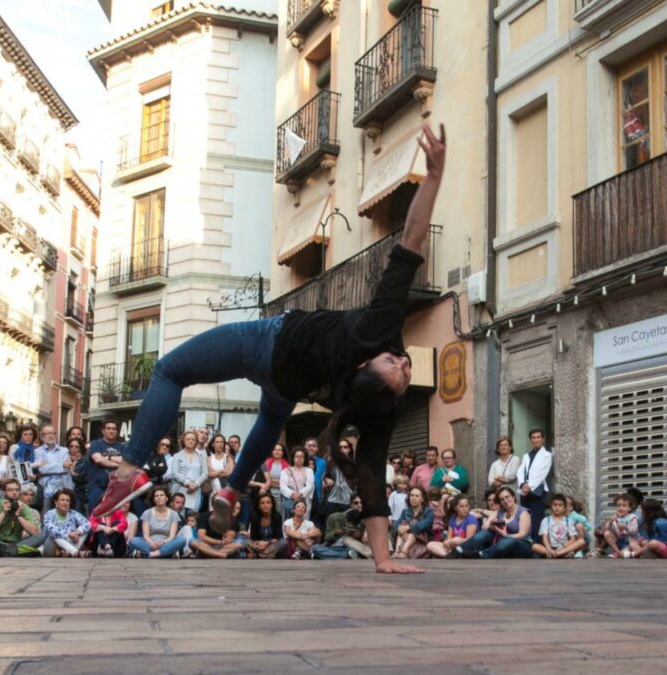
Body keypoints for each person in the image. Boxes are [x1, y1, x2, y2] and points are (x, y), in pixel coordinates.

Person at [89, 127, 444, 576]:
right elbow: (411, 245)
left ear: (365, 368)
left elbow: (372, 476)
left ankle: (129, 469)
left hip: (265, 346)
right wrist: (382, 557)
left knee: (170, 372)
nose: (405, 361)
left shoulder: (375, 349)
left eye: (400, 370)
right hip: (290, 382)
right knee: (274, 416)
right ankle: (233, 490)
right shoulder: (374, 390)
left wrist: (384, 559)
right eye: (400, 362)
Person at [456, 486, 533, 559]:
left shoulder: (523, 512)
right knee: (487, 532)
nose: (505, 500)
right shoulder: (500, 512)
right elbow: (485, 525)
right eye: (502, 499)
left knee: (508, 541)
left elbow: (522, 534)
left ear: (513, 496)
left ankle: (480, 554)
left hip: (522, 545)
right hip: (503, 546)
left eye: (507, 497)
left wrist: (506, 535)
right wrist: (493, 527)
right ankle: (459, 550)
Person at [0, 479, 43, 556]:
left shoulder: (24, 508)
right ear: (3, 492)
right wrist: (3, 512)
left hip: (16, 542)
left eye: (17, 490)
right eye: (10, 490)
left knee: (40, 537)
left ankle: (7, 551)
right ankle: (13, 551)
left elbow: (34, 532)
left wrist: (19, 516)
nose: (14, 492)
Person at [515, 428, 553, 541]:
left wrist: (529, 486)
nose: (536, 440)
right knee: (525, 519)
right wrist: (522, 485)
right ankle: (526, 545)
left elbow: (542, 474)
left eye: (538, 437)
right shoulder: (526, 455)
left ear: (543, 439)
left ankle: (536, 546)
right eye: (533, 438)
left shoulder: (547, 455)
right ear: (530, 440)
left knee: (537, 520)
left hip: (537, 493)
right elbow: (520, 471)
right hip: (525, 493)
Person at [128, 486, 184, 558]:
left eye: (161, 495)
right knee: (133, 540)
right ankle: (165, 553)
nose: (159, 497)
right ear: (154, 500)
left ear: (166, 498)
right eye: (156, 496)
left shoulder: (174, 514)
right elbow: (146, 536)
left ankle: (153, 554)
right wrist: (152, 543)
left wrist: (163, 543)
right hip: (150, 543)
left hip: (166, 542)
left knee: (182, 540)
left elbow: (172, 536)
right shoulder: (147, 513)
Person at [315, 495, 371, 560]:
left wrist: (361, 534)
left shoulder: (367, 519)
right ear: (351, 504)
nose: (359, 505)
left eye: (362, 503)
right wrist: (336, 533)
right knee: (316, 548)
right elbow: (326, 537)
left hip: (356, 547)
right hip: (335, 547)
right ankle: (346, 555)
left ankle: (333, 556)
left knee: (347, 540)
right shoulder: (334, 517)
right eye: (356, 503)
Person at [85, 419, 125, 511]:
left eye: (114, 429)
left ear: (117, 431)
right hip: (97, 487)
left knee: (116, 515)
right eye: (108, 428)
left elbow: (125, 462)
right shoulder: (95, 444)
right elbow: (98, 459)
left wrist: (109, 457)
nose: (111, 431)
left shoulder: (122, 447)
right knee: (95, 514)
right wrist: (118, 463)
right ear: (103, 431)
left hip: (117, 487)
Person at [42, 488, 91, 558]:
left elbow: (88, 524)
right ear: (56, 502)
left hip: (71, 543)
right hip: (51, 547)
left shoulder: (73, 513)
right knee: (55, 535)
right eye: (62, 500)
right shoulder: (49, 514)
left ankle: (67, 552)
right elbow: (52, 529)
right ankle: (75, 552)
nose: (65, 502)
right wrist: (69, 535)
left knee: (84, 531)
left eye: (67, 500)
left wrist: (77, 532)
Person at [532, 493, 584, 559]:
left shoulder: (568, 521)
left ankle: (556, 554)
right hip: (550, 547)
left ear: (564, 508)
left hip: (564, 547)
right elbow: (544, 538)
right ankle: (558, 554)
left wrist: (560, 549)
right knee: (534, 546)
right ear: (551, 507)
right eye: (555, 505)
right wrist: (549, 549)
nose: (557, 507)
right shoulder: (546, 520)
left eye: (560, 505)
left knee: (581, 541)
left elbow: (572, 539)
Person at [427, 494, 479, 558]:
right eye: (461, 506)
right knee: (430, 544)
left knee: (457, 539)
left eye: (467, 506)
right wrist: (449, 543)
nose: (464, 509)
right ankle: (447, 556)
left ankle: (452, 555)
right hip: (452, 546)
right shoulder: (453, 518)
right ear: (455, 507)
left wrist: (452, 542)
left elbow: (469, 541)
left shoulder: (471, 519)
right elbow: (449, 537)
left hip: (465, 547)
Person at [168, 430, 208, 512]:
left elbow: (205, 473)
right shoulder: (177, 456)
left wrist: (195, 485)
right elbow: (174, 473)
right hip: (179, 489)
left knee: (193, 516)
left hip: (195, 490)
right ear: (183, 441)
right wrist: (187, 483)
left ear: (196, 441)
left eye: (193, 439)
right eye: (188, 439)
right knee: (178, 515)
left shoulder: (201, 456)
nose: (190, 441)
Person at [392, 486, 434, 559]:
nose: (413, 498)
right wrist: (400, 528)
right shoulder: (405, 512)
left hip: (422, 542)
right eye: (412, 495)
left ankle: (403, 551)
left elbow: (423, 526)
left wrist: (408, 527)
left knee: (413, 527)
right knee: (401, 527)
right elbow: (396, 524)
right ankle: (397, 552)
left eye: (417, 496)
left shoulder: (428, 512)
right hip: (406, 540)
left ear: (422, 499)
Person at [32, 426, 69, 508]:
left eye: (53, 433)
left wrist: (48, 466)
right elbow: (42, 469)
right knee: (45, 514)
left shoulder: (64, 450)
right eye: (47, 434)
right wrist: (61, 465)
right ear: (42, 437)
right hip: (45, 487)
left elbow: (66, 468)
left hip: (62, 486)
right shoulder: (37, 451)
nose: (51, 436)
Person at [322, 438, 355, 523]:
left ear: (349, 449)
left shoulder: (353, 463)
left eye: (345, 447)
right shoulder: (331, 462)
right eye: (340, 447)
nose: (342, 449)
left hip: (348, 499)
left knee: (347, 525)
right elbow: (325, 476)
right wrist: (327, 480)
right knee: (330, 524)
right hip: (332, 499)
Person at [599, 493, 641, 558]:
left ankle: (628, 554)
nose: (621, 508)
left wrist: (626, 527)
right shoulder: (616, 518)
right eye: (618, 506)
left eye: (624, 506)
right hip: (619, 542)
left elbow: (634, 531)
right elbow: (607, 529)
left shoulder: (632, 518)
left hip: (630, 542)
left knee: (637, 549)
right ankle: (618, 552)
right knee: (606, 533)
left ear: (629, 508)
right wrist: (610, 522)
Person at [245, 492, 284, 559]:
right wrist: (260, 543)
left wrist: (267, 543)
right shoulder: (254, 516)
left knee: (284, 542)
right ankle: (267, 555)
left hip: (271, 544)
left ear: (272, 505)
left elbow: (278, 537)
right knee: (244, 541)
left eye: (268, 503)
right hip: (259, 543)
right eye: (262, 503)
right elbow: (253, 537)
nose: (265, 505)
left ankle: (257, 555)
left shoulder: (277, 516)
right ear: (258, 506)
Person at [279, 447, 314, 519]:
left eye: (301, 457)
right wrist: (292, 494)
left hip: (304, 501)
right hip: (290, 501)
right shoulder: (285, 471)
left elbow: (310, 485)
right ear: (293, 458)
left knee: (303, 523)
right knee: (288, 522)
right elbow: (282, 486)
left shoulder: (309, 471)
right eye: (297, 456)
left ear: (305, 458)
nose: (299, 458)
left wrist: (300, 493)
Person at [206, 433, 234, 510]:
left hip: (226, 492)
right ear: (213, 444)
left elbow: (229, 473)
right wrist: (222, 470)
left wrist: (215, 473)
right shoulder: (209, 459)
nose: (220, 444)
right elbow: (209, 474)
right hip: (214, 493)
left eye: (222, 442)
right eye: (217, 442)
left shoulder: (229, 458)